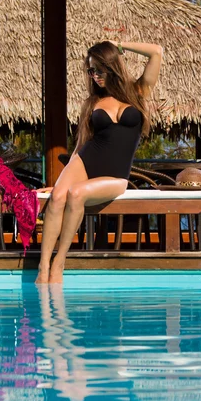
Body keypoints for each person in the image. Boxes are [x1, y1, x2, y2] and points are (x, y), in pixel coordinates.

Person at [36, 40, 163, 284]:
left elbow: (156, 52)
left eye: (99, 70)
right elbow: (81, 146)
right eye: (91, 71)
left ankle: (59, 263)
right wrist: (60, 182)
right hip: (86, 159)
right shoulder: (92, 103)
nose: (95, 76)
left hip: (115, 175)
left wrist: (120, 45)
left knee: (76, 194)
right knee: (59, 196)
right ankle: (43, 267)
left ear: (112, 66)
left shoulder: (138, 92)